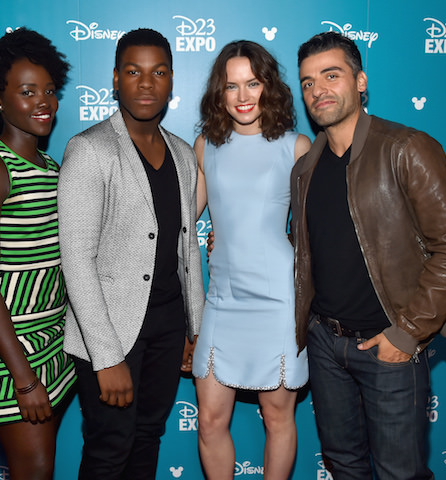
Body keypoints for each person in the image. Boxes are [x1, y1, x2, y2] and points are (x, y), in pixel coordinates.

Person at [291, 31, 446, 480]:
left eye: (331, 75)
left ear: (360, 82)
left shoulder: (407, 148)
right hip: (325, 345)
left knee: (399, 473)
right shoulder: (304, 169)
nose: (319, 90)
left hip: (388, 346)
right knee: (344, 466)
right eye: (308, 82)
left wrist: (407, 333)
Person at [57, 28, 204, 479]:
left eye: (158, 72)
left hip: (167, 323)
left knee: (148, 438)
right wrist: (106, 357)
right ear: (116, 79)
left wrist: (192, 326)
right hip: (110, 330)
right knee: (109, 447)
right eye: (134, 72)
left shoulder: (182, 153)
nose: (146, 83)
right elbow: (76, 259)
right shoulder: (89, 149)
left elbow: (187, 247)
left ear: (172, 80)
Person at [192, 40, 311, 480]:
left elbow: (319, 227)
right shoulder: (205, 147)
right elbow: (184, 220)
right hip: (223, 299)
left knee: (278, 418)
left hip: (277, 299)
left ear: (269, 86)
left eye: (253, 83)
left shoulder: (296, 146)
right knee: (209, 420)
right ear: (218, 93)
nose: (243, 96)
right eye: (231, 86)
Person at [0, 28, 76, 480]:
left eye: (49, 91)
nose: (43, 102)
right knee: (35, 470)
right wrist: (24, 379)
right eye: (27, 92)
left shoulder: (51, 167)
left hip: (53, 338)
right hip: (13, 352)